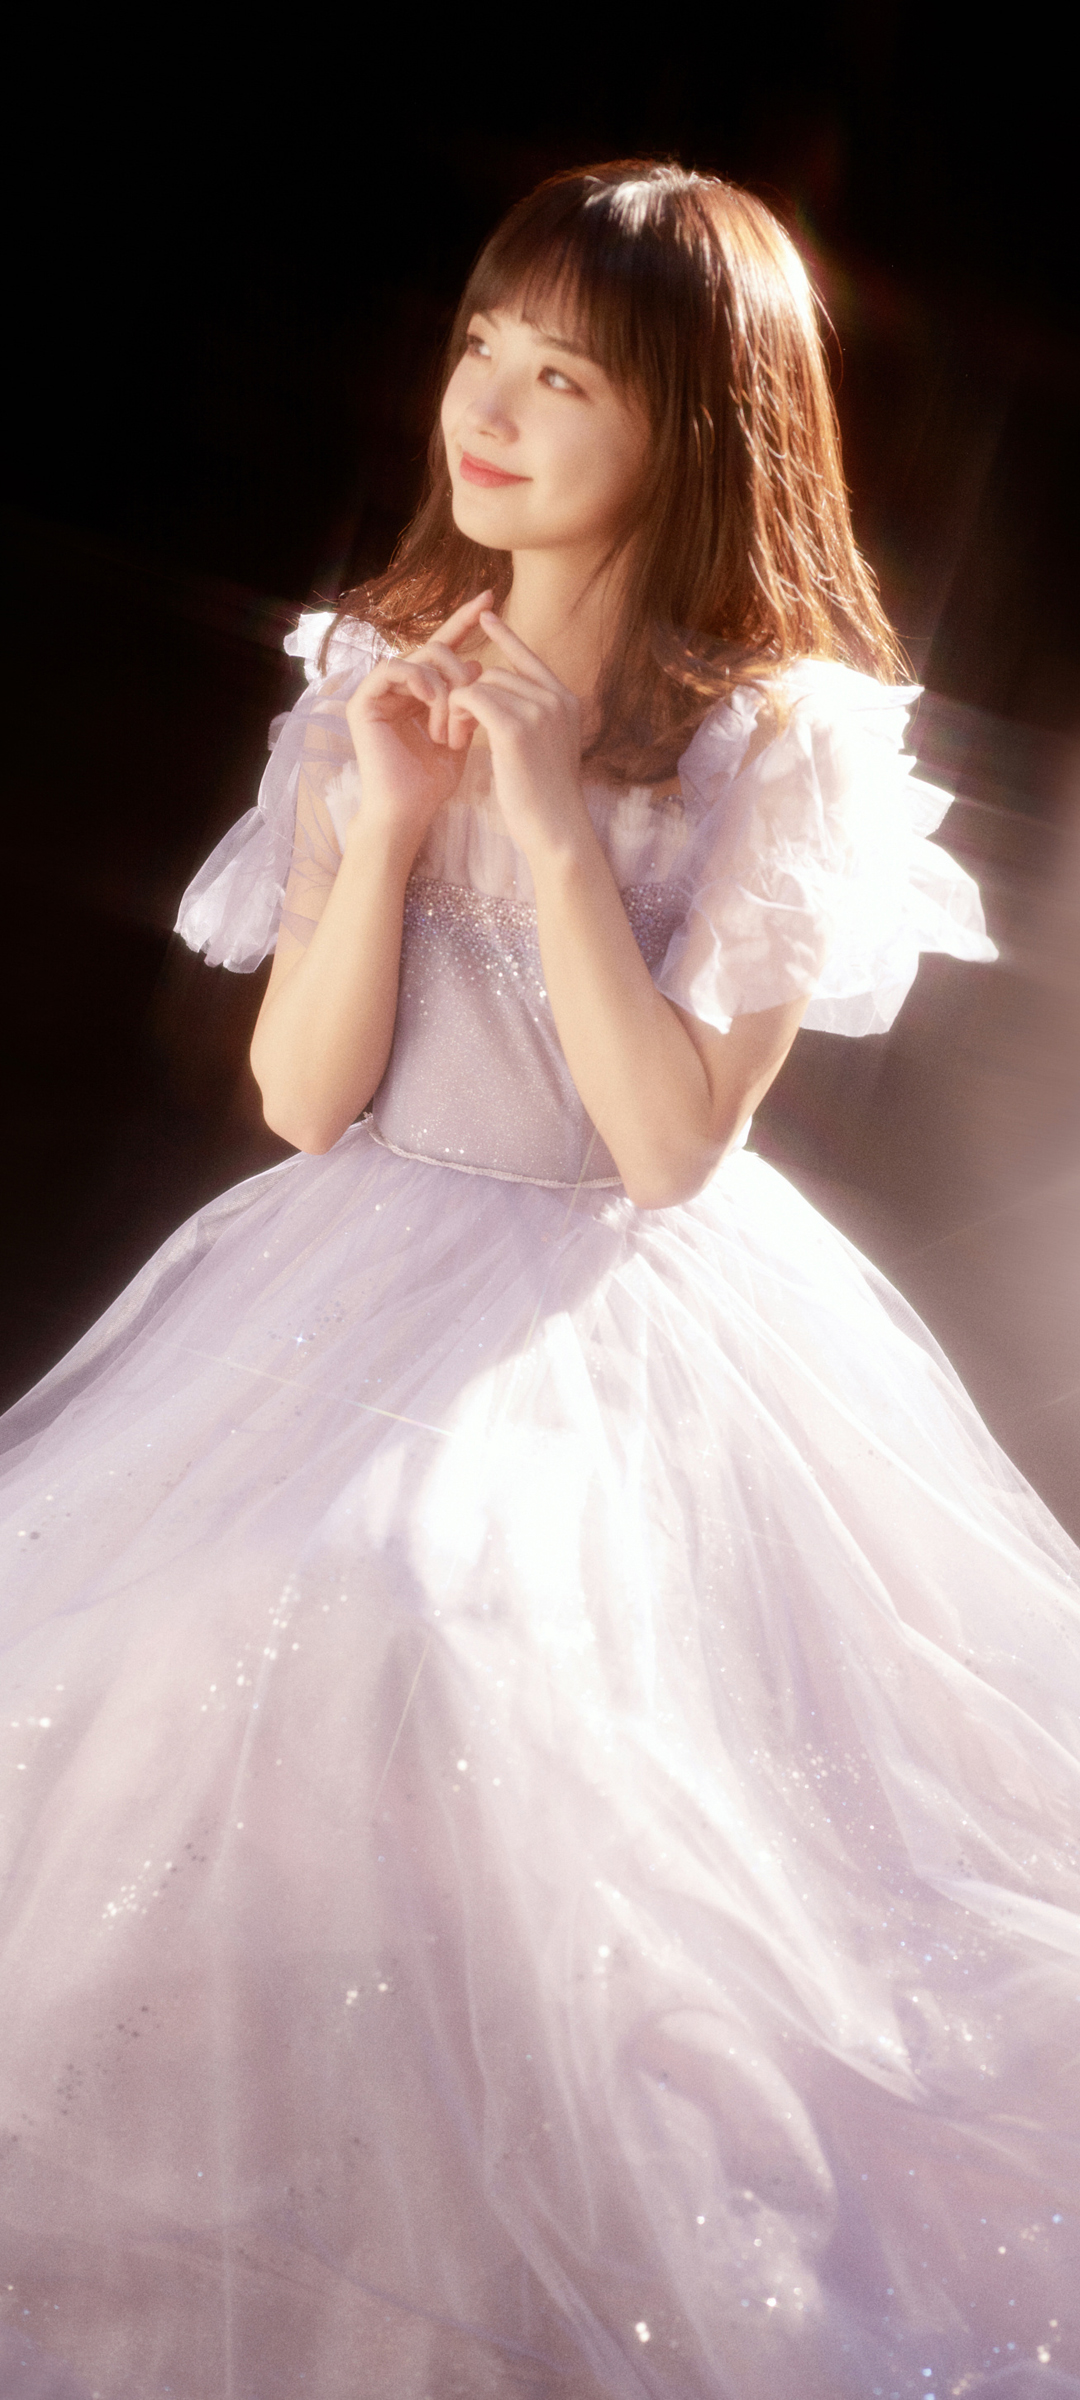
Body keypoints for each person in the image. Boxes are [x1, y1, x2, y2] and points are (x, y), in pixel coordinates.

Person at [1, 160, 1077, 2400]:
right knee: (176, 1664)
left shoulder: (781, 736)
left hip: (613, 1311)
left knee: (448, 1648)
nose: (485, 408)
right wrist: (394, 821)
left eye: (563, 376)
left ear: (693, 421)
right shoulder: (372, 673)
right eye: (480, 347)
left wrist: (557, 813)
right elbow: (308, 1099)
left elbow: (665, 1143)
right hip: (350, 1266)